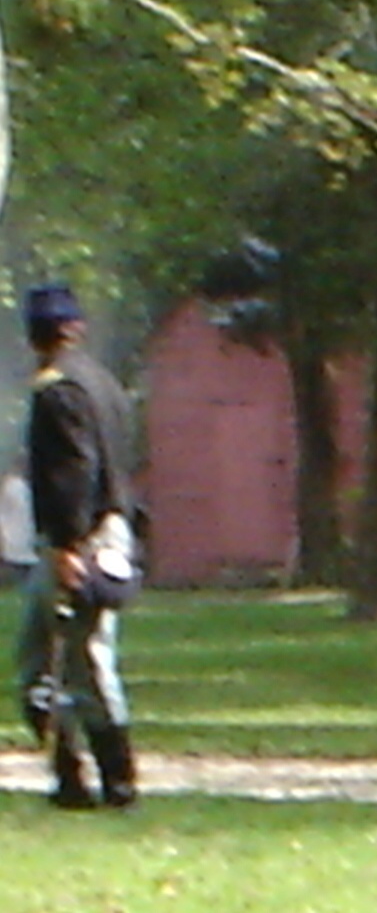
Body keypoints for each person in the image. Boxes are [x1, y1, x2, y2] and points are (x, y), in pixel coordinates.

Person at [13, 282, 141, 809]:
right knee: (61, 658)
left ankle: (110, 778)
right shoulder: (103, 383)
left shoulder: (57, 390)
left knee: (66, 660)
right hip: (107, 527)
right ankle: (73, 775)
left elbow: (73, 471)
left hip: (78, 536)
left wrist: (66, 545)